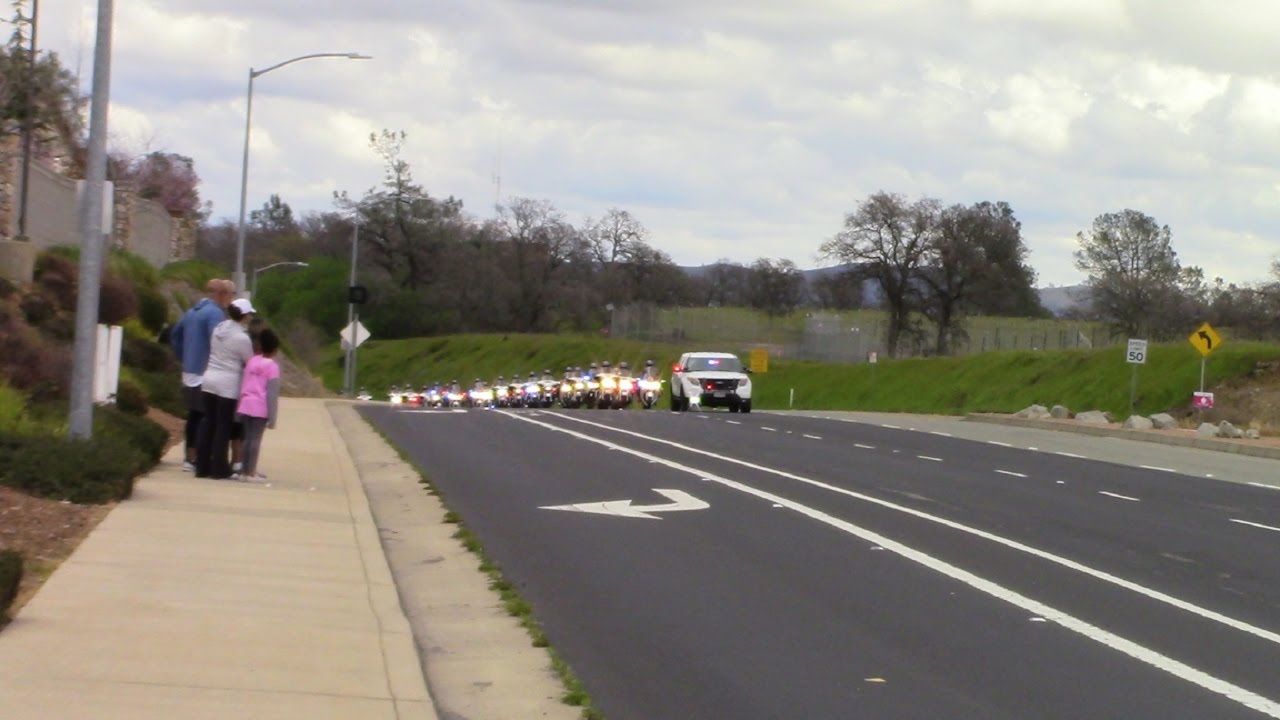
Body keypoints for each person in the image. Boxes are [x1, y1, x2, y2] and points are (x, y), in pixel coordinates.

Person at [169, 278, 233, 472]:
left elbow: (175, 335)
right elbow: (218, 341)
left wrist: (183, 354)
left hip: (189, 369)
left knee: (193, 415)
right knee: (205, 416)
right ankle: (197, 457)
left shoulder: (191, 312)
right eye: (229, 294)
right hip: (205, 371)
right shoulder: (214, 314)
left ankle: (189, 456)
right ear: (220, 294)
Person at [196, 298, 256, 479]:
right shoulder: (242, 338)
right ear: (244, 315)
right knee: (223, 426)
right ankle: (218, 468)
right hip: (228, 384)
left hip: (209, 378)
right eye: (249, 314)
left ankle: (202, 466)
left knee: (208, 422)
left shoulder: (218, 329)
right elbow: (250, 361)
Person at [235, 328, 281, 483]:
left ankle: (243, 471)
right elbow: (272, 394)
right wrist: (272, 417)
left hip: (246, 403)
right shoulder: (272, 367)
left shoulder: (252, 361)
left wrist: (239, 404)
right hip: (260, 407)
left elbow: (244, 383)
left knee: (246, 439)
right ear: (274, 349)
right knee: (255, 439)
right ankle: (251, 472)